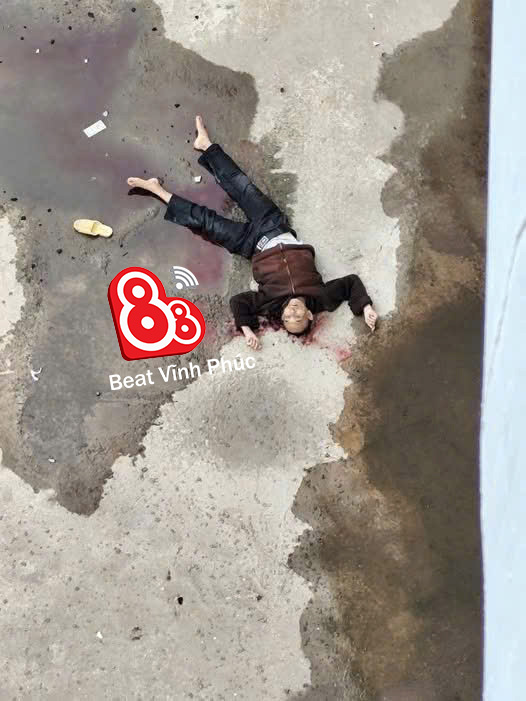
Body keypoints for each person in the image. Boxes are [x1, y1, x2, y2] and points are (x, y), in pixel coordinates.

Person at [127, 116, 378, 350]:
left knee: (205, 221)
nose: (292, 312)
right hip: (274, 225)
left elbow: (238, 302)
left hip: (251, 244)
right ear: (310, 315)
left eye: (288, 317)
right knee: (241, 186)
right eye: (299, 316)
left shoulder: (269, 303)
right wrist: (365, 307)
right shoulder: (323, 297)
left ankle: (157, 190)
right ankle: (205, 145)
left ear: (281, 316)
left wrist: (247, 329)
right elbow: (351, 283)